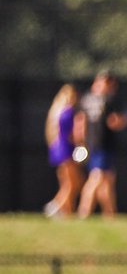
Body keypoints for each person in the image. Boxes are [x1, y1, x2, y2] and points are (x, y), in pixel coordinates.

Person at [75, 70, 127, 219]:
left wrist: (80, 142)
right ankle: (83, 212)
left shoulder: (87, 98)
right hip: (103, 144)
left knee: (108, 180)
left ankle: (110, 214)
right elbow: (114, 122)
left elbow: (80, 123)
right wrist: (125, 120)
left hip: (92, 145)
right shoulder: (110, 99)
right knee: (97, 177)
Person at [44, 83, 83, 219]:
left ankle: (67, 211)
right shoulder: (68, 112)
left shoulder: (57, 111)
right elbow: (74, 134)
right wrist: (81, 148)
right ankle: (55, 206)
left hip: (57, 148)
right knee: (73, 182)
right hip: (66, 149)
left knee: (68, 181)